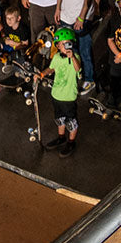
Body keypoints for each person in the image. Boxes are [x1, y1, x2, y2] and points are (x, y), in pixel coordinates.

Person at [39, 27, 83, 155]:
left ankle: (71, 142)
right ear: (57, 46)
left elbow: (77, 69)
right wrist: (42, 74)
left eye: (68, 43)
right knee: (59, 118)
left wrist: (73, 57)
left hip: (69, 97)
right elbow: (51, 69)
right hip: (56, 95)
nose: (65, 46)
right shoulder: (57, 57)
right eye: (62, 44)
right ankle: (61, 137)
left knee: (71, 121)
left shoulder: (75, 57)